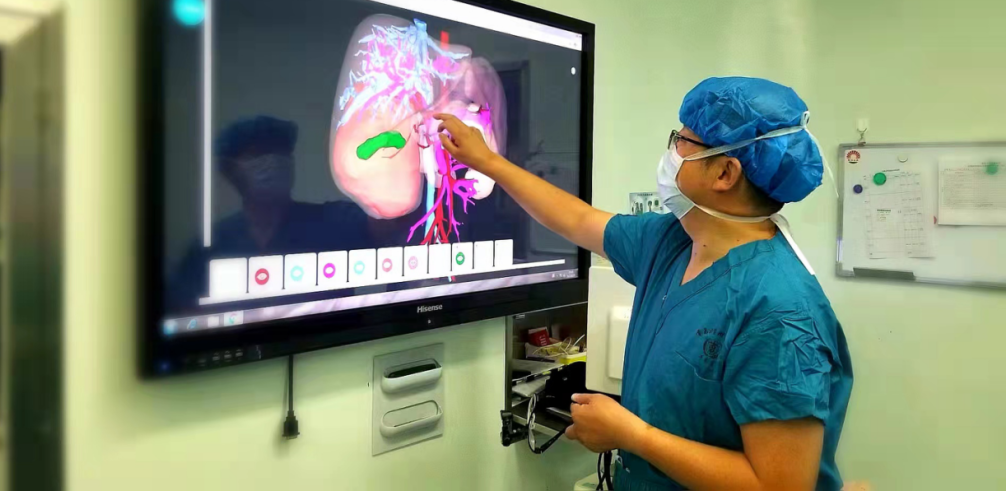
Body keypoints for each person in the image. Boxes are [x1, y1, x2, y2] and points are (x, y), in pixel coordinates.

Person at [435, 77, 853, 491]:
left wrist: (632, 435)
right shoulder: (671, 241)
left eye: (682, 141)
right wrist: (488, 162)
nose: (672, 152)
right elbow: (578, 219)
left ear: (725, 172)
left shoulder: (780, 310)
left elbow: (780, 485)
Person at [169, 116, 369, 311]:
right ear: (230, 171)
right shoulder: (209, 246)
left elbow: (382, 225)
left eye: (282, 152)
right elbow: (182, 312)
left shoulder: (336, 220)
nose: (274, 161)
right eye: (258, 153)